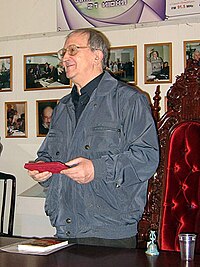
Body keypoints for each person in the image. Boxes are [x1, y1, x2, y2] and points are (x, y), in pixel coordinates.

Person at [28, 28, 159, 249]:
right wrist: (43, 169)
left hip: (109, 233)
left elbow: (147, 158)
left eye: (73, 50)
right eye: (63, 52)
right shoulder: (63, 107)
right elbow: (47, 154)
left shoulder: (129, 100)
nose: (65, 58)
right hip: (64, 228)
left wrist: (97, 169)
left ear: (97, 56)